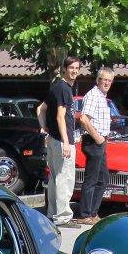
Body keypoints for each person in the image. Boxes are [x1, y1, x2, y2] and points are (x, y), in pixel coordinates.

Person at [41, 56, 81, 225]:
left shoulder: (56, 86)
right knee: (64, 179)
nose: (74, 71)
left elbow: (40, 109)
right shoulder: (64, 89)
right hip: (62, 141)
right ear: (65, 68)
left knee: (55, 178)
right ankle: (63, 217)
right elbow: (60, 116)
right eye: (71, 68)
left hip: (53, 140)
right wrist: (66, 141)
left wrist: (44, 128)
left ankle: (52, 213)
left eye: (77, 68)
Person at [74, 68, 115, 225]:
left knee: (103, 179)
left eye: (109, 81)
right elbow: (84, 119)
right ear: (98, 80)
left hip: (100, 141)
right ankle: (84, 214)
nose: (106, 83)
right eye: (104, 80)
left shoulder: (102, 97)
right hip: (93, 141)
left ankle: (92, 212)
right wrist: (97, 137)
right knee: (92, 179)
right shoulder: (92, 95)